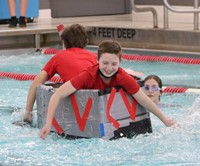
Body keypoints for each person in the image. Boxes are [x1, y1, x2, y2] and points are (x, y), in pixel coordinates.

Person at [39, 40, 176, 139]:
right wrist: (48, 123)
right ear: (97, 60)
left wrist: (164, 120)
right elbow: (57, 95)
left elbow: (143, 100)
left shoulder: (122, 77)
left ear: (120, 62)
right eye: (105, 63)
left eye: (114, 64)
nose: (109, 68)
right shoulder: (88, 75)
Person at [24, 24, 143, 123]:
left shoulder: (58, 57)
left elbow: (36, 84)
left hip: (79, 104)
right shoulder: (93, 57)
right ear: (85, 42)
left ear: (64, 42)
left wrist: (28, 112)